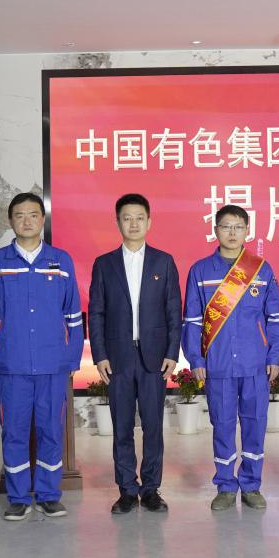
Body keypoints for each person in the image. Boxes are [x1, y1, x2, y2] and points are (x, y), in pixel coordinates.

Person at [0, 193, 83, 522]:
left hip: (53, 364)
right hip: (11, 364)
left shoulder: (61, 261)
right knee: (14, 431)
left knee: (51, 430)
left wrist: (72, 359)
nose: (27, 221)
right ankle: (18, 497)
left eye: (33, 214)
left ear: (43, 219)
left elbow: (73, 315)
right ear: (10, 220)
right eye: (20, 215)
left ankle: (49, 495)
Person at [184, 205, 279, 511]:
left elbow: (275, 317)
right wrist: (196, 360)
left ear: (247, 231)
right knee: (223, 425)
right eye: (226, 226)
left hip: (255, 364)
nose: (232, 232)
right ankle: (226, 486)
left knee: (255, 425)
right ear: (215, 230)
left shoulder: (261, 269)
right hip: (218, 364)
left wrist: (275, 356)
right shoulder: (200, 271)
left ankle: (252, 485)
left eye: (238, 227)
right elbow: (192, 321)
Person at [87, 193, 181, 515]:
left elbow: (174, 311)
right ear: (117, 222)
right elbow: (96, 313)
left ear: (149, 222)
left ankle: (151, 489)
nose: (133, 223)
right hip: (118, 359)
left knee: (153, 427)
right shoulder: (104, 264)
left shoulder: (163, 262)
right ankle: (127, 489)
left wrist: (172, 351)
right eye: (127, 218)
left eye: (139, 217)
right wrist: (99, 354)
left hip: (154, 358)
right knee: (122, 427)